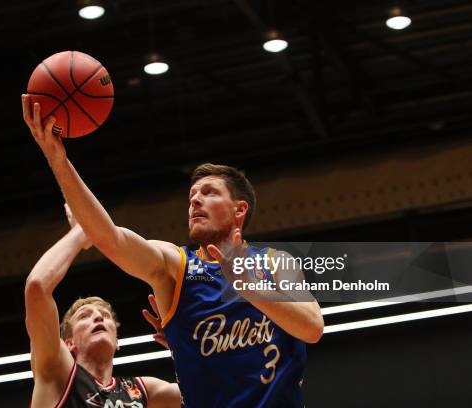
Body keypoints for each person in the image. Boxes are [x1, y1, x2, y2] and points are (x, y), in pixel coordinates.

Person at [22, 95, 324, 407]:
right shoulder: (176, 266)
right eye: (192, 195)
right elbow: (109, 238)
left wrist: (250, 288)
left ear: (239, 209)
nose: (195, 201)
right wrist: (58, 160)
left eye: (209, 193)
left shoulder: (275, 262)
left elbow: (312, 328)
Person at [25, 204, 180, 408]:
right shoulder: (57, 373)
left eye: (105, 316)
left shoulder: (142, 390)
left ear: (117, 341)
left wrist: (182, 345)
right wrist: (83, 229)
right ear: (69, 342)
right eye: (84, 316)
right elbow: (37, 287)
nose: (98, 318)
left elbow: (209, 391)